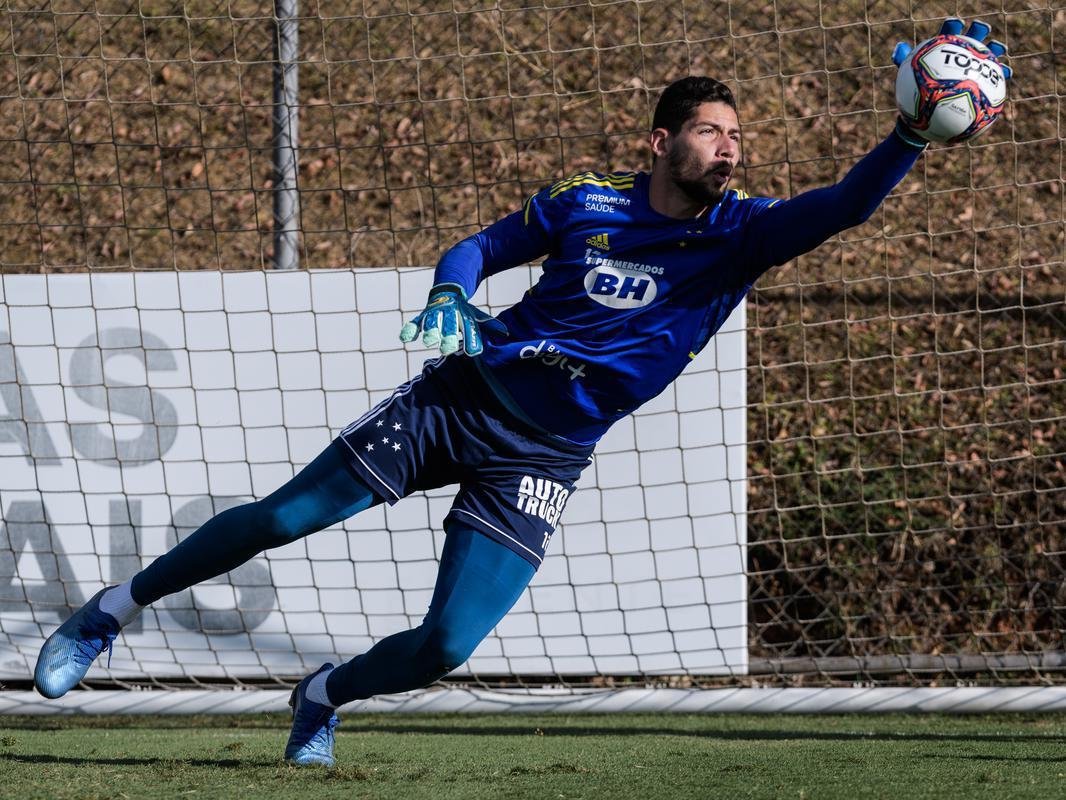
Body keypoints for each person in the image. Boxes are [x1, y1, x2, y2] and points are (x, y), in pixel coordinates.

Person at [34, 18, 1008, 767]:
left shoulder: (740, 237)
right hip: (459, 398)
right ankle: (109, 610)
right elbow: (482, 246)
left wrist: (908, 136)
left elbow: (841, 206)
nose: (730, 147)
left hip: (542, 456)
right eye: (711, 131)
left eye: (737, 135)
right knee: (283, 514)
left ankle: (324, 693)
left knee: (447, 644)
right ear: (662, 140)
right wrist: (453, 291)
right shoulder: (586, 202)